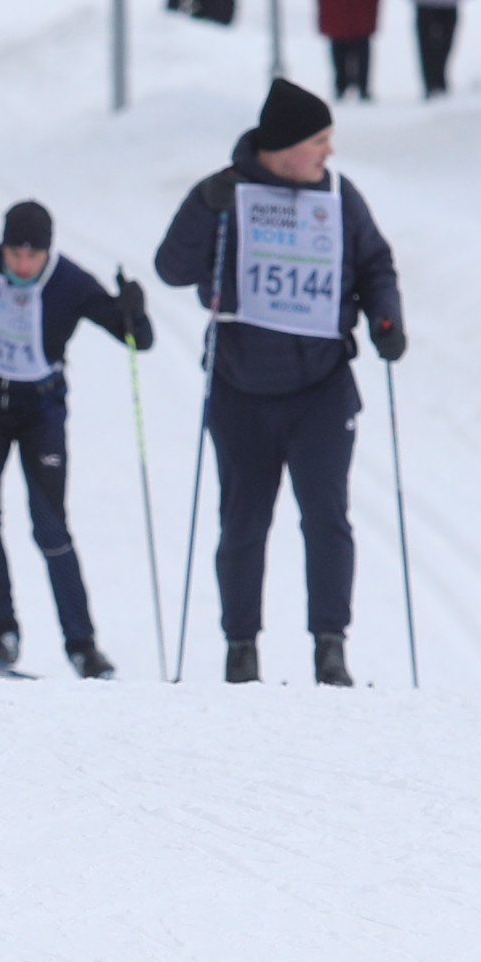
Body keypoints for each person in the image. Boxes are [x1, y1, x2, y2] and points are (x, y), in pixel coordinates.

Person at [152, 77, 406, 686]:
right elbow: (171, 269)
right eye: (319, 140)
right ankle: (241, 647)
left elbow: (375, 262)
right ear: (285, 146)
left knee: (327, 517)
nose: (329, 152)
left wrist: (386, 317)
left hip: (321, 387)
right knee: (242, 522)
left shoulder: (340, 197)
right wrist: (202, 207)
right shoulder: (226, 195)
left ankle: (330, 646)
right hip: (241, 387)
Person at [0, 200, 158, 677]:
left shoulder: (72, 283)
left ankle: (83, 646)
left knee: (50, 526)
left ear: (48, 253)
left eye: (32, 256)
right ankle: (3, 634)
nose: (21, 265)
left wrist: (134, 311)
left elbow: (136, 339)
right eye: (13, 254)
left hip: (40, 407)